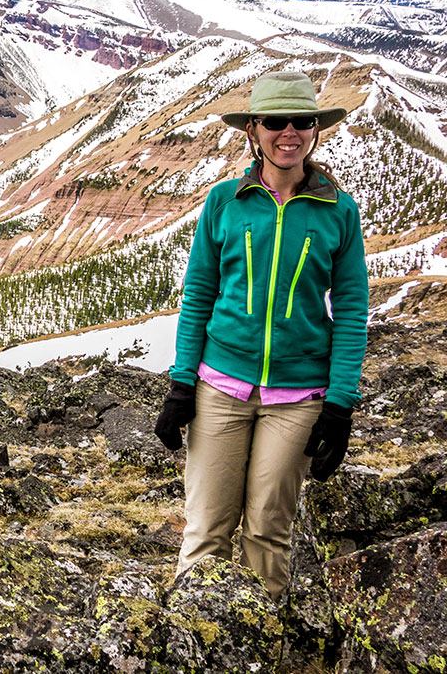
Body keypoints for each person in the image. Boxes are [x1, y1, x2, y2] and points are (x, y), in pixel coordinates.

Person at [154, 69, 368, 600]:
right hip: (219, 389)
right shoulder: (225, 201)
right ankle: (190, 641)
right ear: (254, 129)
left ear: (316, 129)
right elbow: (198, 295)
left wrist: (340, 406)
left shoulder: (339, 212)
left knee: (269, 533)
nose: (289, 132)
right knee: (205, 531)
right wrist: (182, 385)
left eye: (302, 121)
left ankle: (260, 640)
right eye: (276, 121)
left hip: (298, 399)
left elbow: (352, 309)